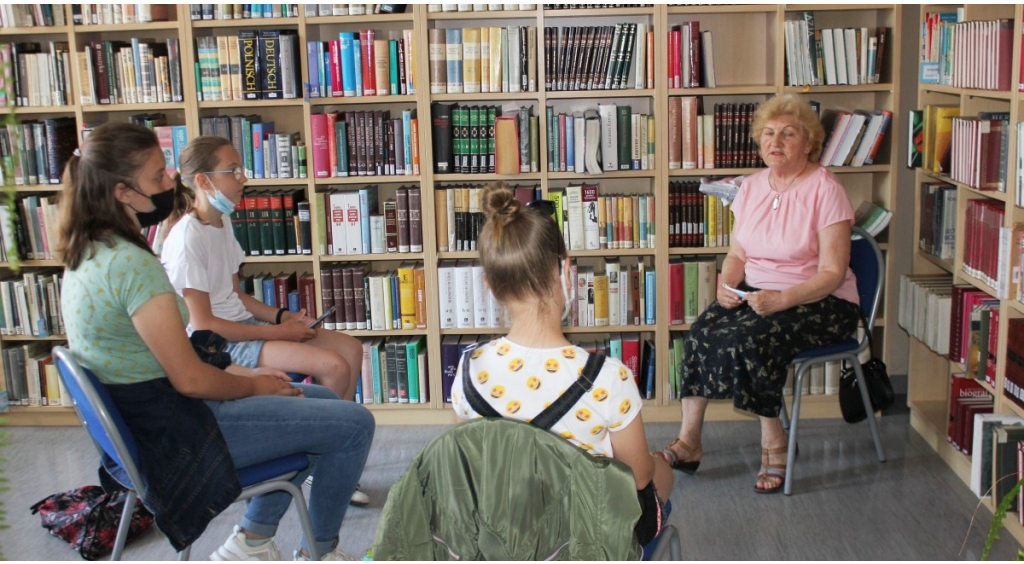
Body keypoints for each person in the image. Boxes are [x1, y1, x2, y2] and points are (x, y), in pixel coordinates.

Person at [57, 122, 374, 560]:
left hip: (149, 423)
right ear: (121, 192)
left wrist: (246, 371)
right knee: (353, 424)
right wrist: (255, 384)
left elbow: (173, 355)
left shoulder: (87, 254)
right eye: (157, 178)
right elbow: (190, 380)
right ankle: (319, 551)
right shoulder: (131, 266)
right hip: (176, 434)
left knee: (320, 399)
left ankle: (252, 540)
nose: (171, 182)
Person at [451, 181, 673, 543]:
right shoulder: (608, 377)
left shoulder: (469, 370)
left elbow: (467, 462)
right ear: (566, 271)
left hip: (505, 536)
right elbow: (639, 477)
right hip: (584, 539)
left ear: (490, 286)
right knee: (659, 472)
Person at [661, 94, 862, 494]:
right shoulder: (751, 187)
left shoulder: (825, 189)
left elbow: (832, 272)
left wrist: (783, 300)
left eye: (788, 134)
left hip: (822, 301)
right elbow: (738, 253)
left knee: (754, 339)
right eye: (768, 134)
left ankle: (775, 443)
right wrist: (726, 285)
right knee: (702, 331)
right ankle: (690, 441)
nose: (776, 141)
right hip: (758, 293)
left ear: (808, 143)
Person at [160, 135, 363, 403]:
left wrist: (283, 317)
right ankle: (321, 434)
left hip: (244, 327)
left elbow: (235, 295)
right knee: (334, 367)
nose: (243, 179)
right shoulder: (188, 238)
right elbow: (202, 324)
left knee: (351, 349)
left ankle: (340, 428)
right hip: (219, 343)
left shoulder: (222, 222)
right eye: (232, 171)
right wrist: (275, 332)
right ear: (203, 180)